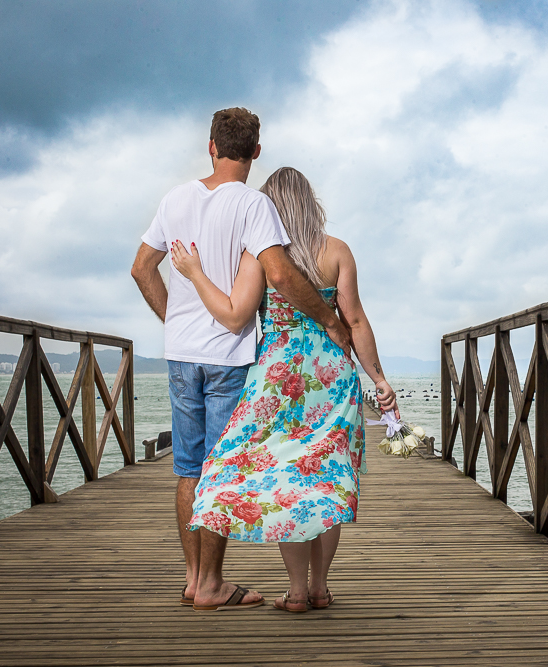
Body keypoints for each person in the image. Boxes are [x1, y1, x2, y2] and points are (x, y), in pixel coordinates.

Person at [131, 109, 352, 612]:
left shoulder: (175, 199)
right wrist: (329, 320)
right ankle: (211, 583)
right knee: (222, 468)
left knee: (188, 468)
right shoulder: (254, 204)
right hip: (229, 356)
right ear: (255, 151)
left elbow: (142, 267)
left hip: (181, 356)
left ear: (210, 146)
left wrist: (176, 322)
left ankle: (194, 580)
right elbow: (281, 277)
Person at [169, 166, 397, 613]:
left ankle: (294, 591)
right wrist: (379, 378)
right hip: (331, 379)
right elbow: (355, 320)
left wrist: (195, 274)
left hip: (276, 379)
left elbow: (235, 314)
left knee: (288, 481)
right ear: (311, 202)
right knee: (327, 480)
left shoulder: (260, 255)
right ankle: (319, 588)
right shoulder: (337, 251)